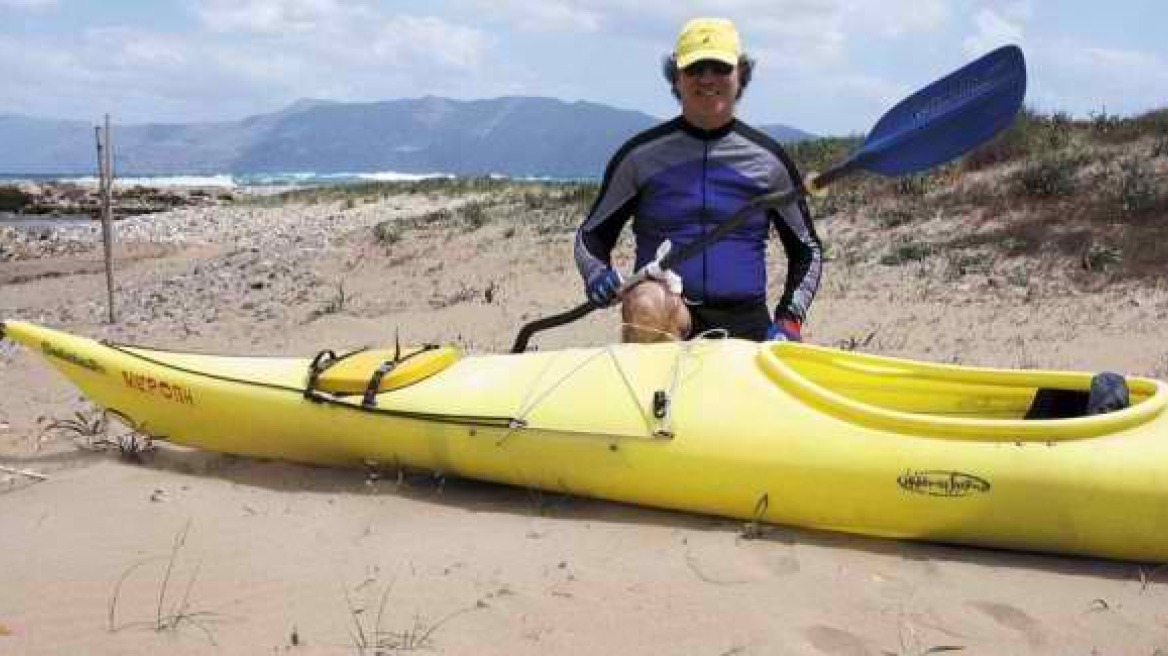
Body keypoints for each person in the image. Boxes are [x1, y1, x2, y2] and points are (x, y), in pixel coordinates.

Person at [574, 17, 822, 343]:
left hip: (745, 321)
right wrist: (597, 276)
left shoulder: (769, 160)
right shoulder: (639, 157)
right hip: (668, 314)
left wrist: (790, 318)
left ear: (740, 76)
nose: (707, 78)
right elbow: (590, 238)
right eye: (694, 68)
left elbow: (808, 250)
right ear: (676, 79)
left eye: (719, 67)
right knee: (645, 300)